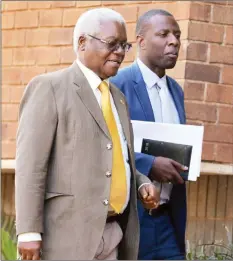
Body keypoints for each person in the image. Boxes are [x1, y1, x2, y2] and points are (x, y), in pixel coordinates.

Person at [15, 8, 160, 260]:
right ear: (82, 42)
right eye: (111, 44)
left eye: (124, 46)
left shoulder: (118, 98)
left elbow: (115, 159)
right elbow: (31, 166)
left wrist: (141, 182)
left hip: (113, 234)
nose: (119, 53)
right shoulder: (49, 88)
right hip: (65, 239)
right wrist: (28, 232)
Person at [110, 9, 187, 260]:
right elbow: (106, 146)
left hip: (168, 221)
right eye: (164, 34)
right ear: (141, 41)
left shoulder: (176, 91)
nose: (174, 41)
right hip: (131, 220)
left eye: (177, 35)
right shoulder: (117, 84)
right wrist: (149, 164)